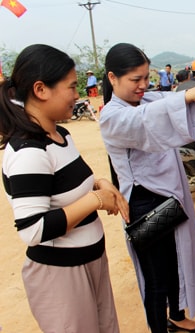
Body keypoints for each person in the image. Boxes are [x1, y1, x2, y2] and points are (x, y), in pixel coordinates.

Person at [99, 43, 195, 333]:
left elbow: (192, 106)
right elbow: (149, 120)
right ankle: (159, 327)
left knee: (176, 263)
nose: (143, 85)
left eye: (147, 77)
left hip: (169, 197)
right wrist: (187, 95)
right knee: (156, 279)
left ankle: (177, 317)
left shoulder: (147, 101)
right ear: (112, 78)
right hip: (145, 207)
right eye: (136, 79)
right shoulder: (112, 116)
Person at [0, 44, 129, 332]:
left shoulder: (61, 135)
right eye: (71, 87)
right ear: (40, 90)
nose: (77, 94)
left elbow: (71, 184)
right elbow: (32, 230)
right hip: (61, 274)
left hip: (90, 260)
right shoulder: (28, 152)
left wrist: (101, 183)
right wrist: (96, 199)